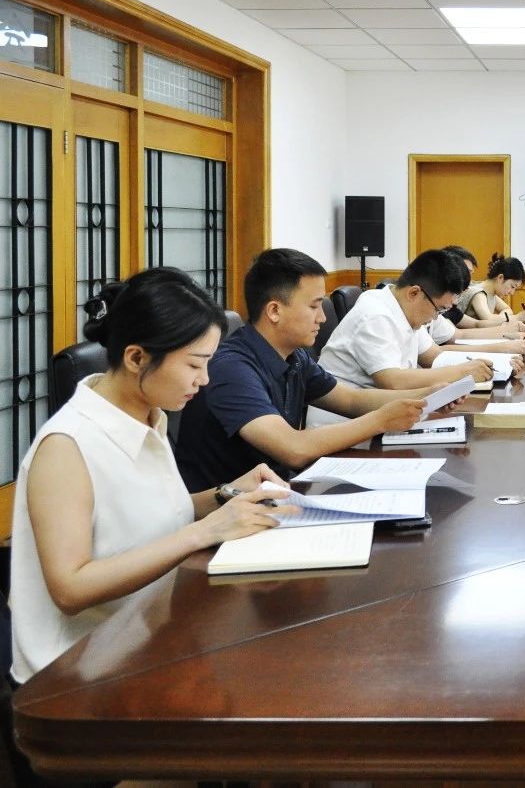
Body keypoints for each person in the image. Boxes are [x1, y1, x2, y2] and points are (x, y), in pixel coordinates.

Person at [5, 268, 296, 783]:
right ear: (137, 357)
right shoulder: (67, 447)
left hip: (147, 639)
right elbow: (70, 587)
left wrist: (227, 493)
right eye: (194, 365)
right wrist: (205, 531)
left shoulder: (146, 414)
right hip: (77, 678)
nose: (204, 381)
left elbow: (158, 512)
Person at [174, 248, 450, 491]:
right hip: (227, 514)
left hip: (275, 494)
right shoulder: (231, 367)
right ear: (274, 311)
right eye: (314, 306)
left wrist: (431, 394)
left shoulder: (295, 356)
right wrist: (381, 420)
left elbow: (351, 400)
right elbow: (293, 448)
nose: (323, 317)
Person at [318, 249, 497, 390]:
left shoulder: (405, 309)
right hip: (343, 420)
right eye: (439, 310)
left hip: (381, 410)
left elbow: (432, 356)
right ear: (414, 293)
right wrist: (461, 372)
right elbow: (393, 380)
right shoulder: (375, 315)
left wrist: (482, 363)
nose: (435, 318)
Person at [457, 254, 525, 324]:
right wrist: (517, 318)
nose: (512, 293)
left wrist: (501, 319)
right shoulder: (479, 293)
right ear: (500, 278)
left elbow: (507, 309)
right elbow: (488, 319)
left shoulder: (491, 293)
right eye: (512, 287)